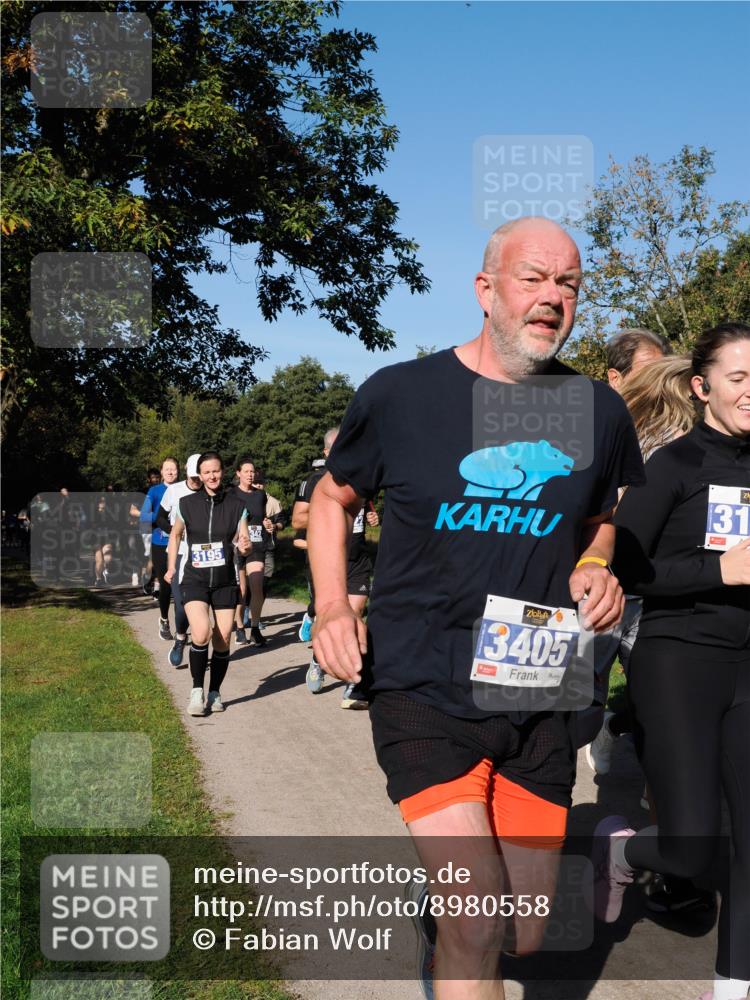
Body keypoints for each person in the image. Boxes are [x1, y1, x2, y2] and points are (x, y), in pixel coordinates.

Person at [308, 216, 644, 997]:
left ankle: (449, 933)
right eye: (533, 277)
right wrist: (331, 606)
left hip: (540, 687)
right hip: (422, 683)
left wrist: (597, 563)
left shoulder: (597, 411)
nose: (552, 297)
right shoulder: (401, 394)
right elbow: (333, 496)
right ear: (485, 289)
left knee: (525, 931)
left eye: (568, 283)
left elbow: (604, 516)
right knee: (481, 917)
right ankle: (461, 928)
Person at [597, 323, 750, 1000]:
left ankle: (733, 985)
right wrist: (722, 569)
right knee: (692, 847)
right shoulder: (676, 464)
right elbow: (626, 565)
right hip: (679, 660)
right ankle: (623, 848)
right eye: (739, 377)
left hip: (749, 666)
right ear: (703, 386)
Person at [292, 428, 379, 709]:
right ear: (327, 453)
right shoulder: (316, 481)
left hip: (358, 560)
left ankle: (354, 682)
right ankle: (319, 658)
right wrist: (329, 511)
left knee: (355, 615)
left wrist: (368, 515)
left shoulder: (364, 478)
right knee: (331, 616)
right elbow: (296, 521)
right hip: (330, 561)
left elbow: (365, 513)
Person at [165, 452, 250, 716]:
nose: (212, 476)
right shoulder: (186, 504)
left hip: (224, 580)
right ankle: (196, 691)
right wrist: (170, 567)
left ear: (222, 472)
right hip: (195, 579)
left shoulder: (236, 505)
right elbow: (176, 535)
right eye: (207, 472)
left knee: (223, 638)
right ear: (199, 475)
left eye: (216, 471)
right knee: (201, 632)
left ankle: (214, 692)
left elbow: (244, 540)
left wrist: (245, 547)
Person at [157, 454, 202, 667]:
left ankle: (201, 644)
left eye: (199, 476)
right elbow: (159, 518)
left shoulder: (210, 491)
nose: (196, 481)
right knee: (182, 605)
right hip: (179, 553)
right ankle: (181, 637)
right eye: (193, 476)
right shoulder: (173, 491)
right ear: (187, 472)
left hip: (203, 555)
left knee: (203, 604)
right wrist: (175, 532)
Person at [229, 456, 268, 647]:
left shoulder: (260, 495)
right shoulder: (231, 494)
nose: (251, 475)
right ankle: (239, 627)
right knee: (242, 589)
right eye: (246, 471)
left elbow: (263, 518)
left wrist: (268, 523)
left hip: (257, 545)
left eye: (253, 472)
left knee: (257, 584)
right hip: (237, 546)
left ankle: (255, 627)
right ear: (238, 473)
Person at [140, 458, 179, 639]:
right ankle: (164, 619)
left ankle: (182, 623)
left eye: (173, 469)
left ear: (178, 471)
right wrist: (162, 514)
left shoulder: (183, 489)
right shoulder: (154, 491)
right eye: (167, 469)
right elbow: (144, 517)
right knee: (166, 584)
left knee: (182, 584)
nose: (170, 472)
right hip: (160, 542)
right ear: (162, 472)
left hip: (181, 543)